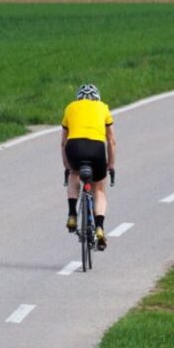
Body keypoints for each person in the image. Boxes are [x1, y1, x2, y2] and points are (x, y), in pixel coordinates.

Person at [61, 83, 116, 249]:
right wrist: (111, 164)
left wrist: (67, 165)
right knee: (98, 188)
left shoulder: (70, 107)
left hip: (74, 147)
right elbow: (111, 141)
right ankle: (99, 226)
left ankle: (72, 213)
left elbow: (63, 142)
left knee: (73, 175)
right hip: (96, 148)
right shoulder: (103, 108)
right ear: (97, 98)